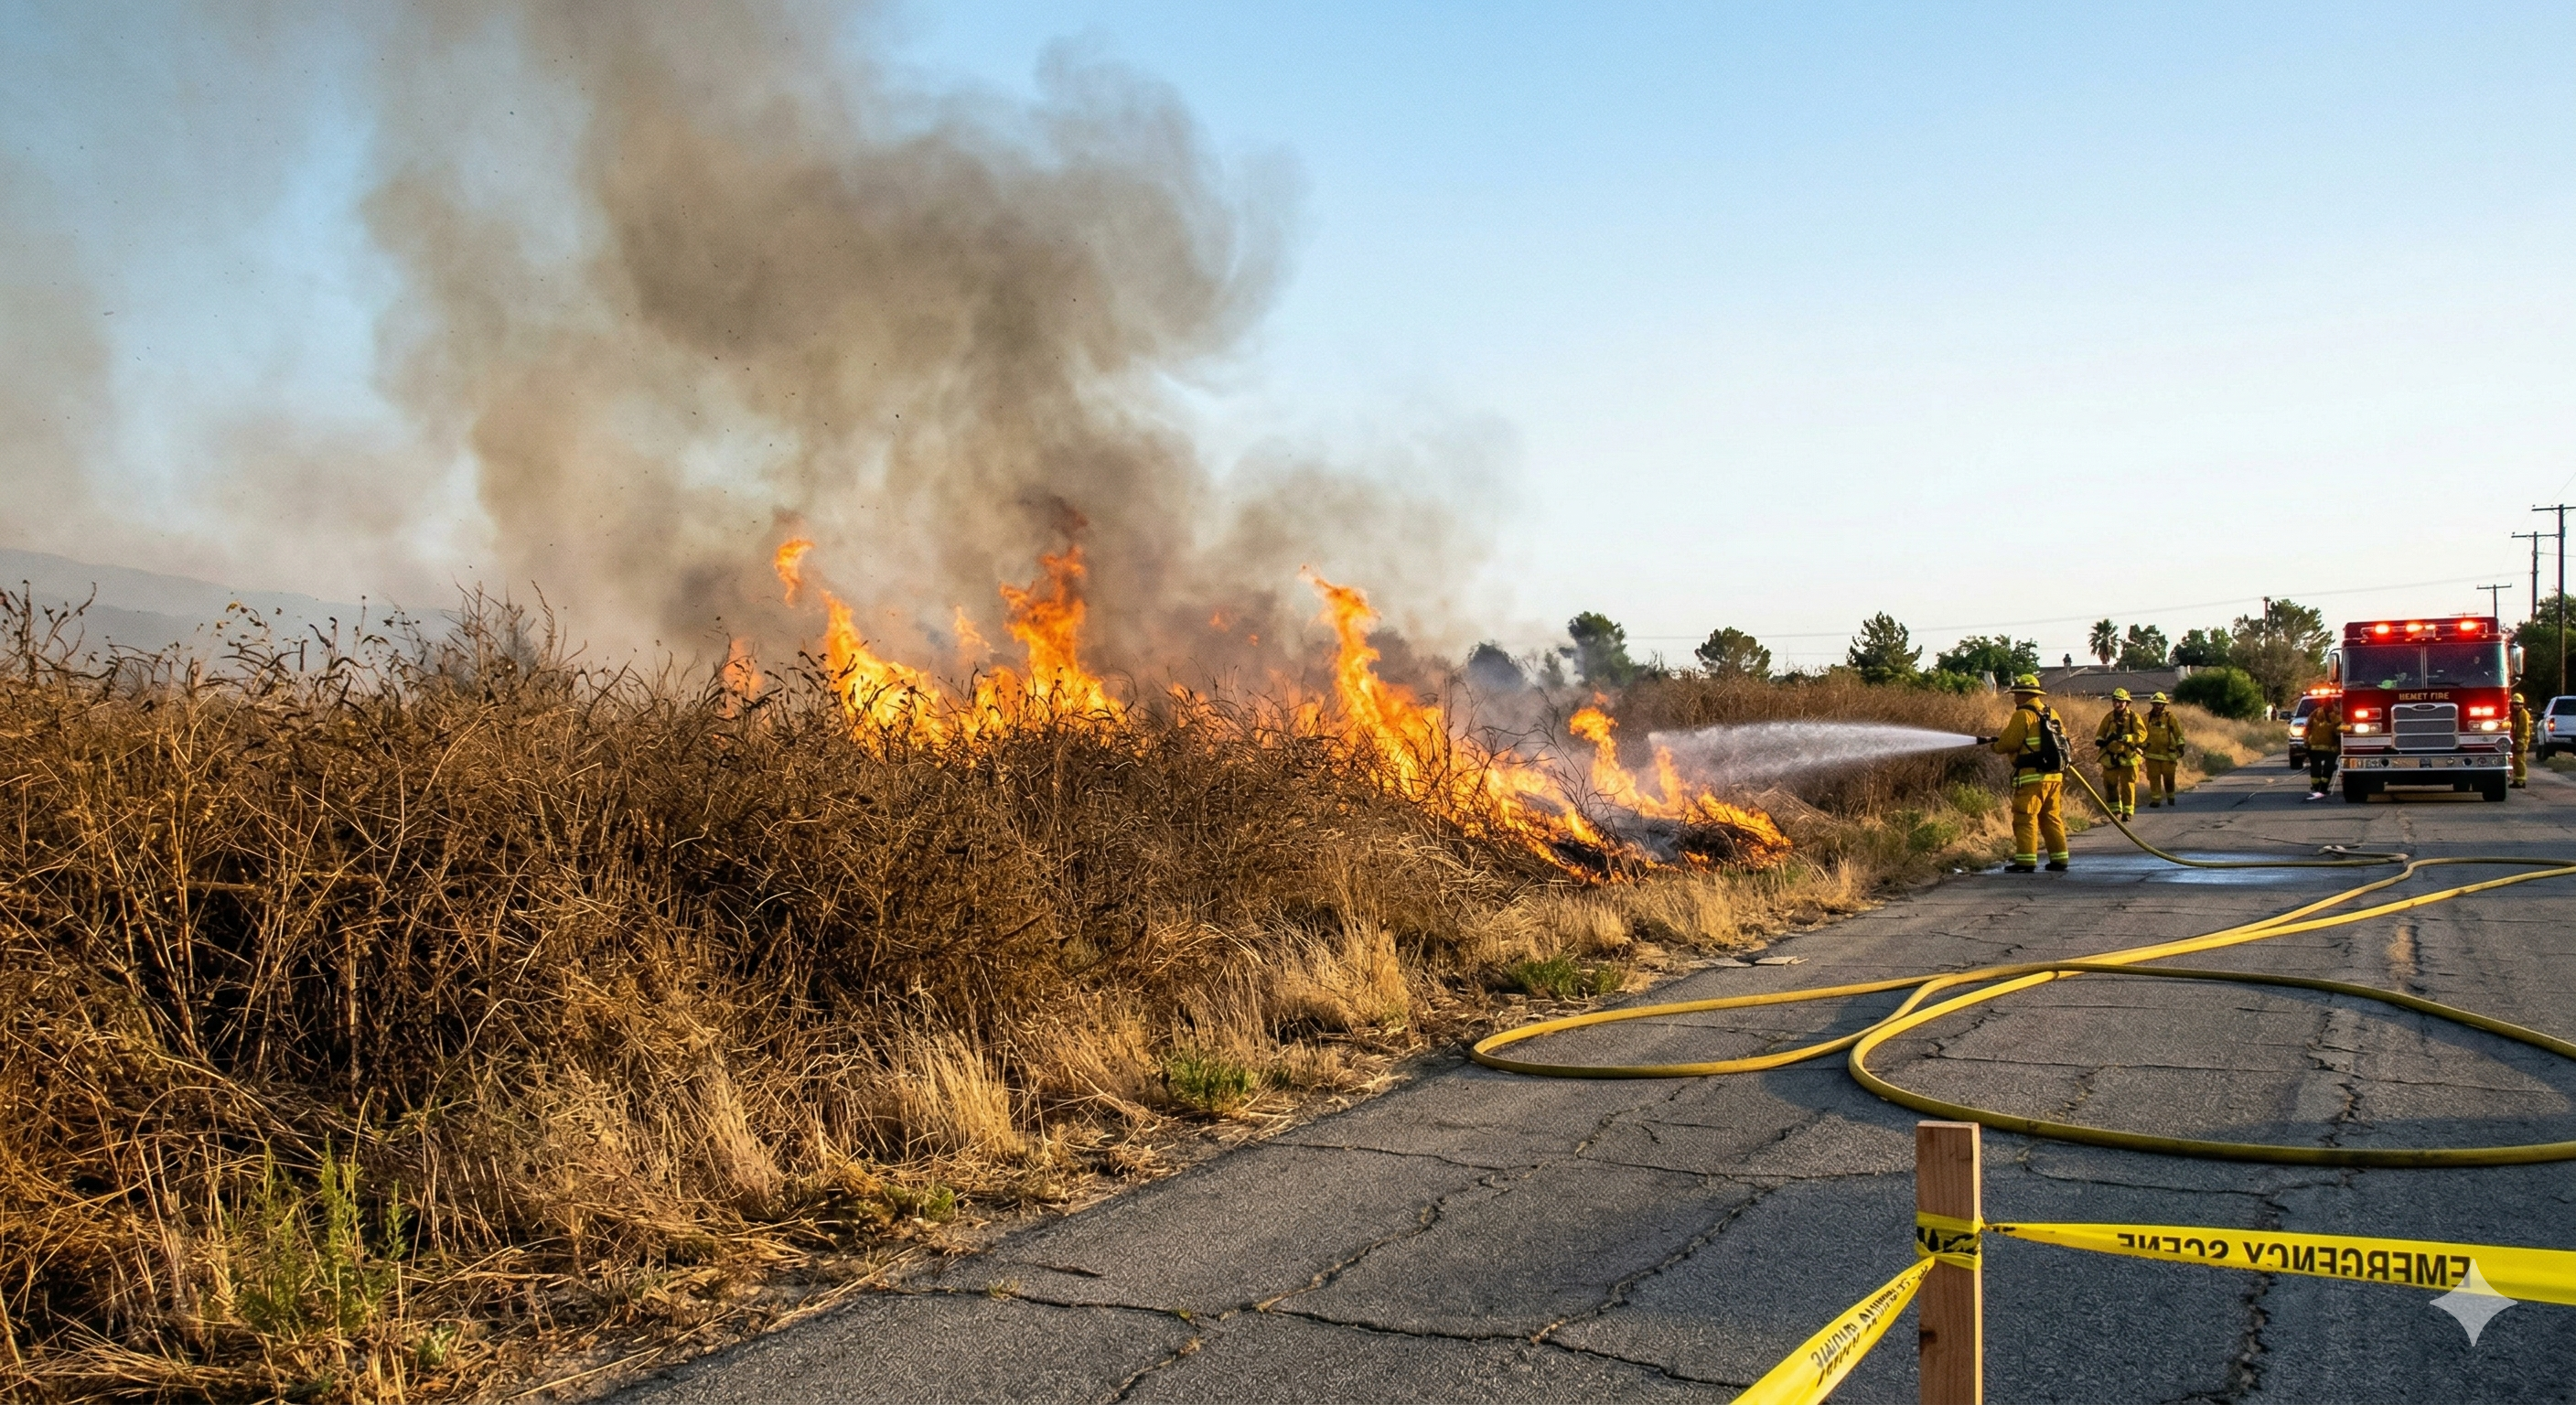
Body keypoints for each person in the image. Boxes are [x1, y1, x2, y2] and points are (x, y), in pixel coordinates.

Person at [1989, 674, 2070, 872]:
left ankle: (2025, 861)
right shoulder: (2052, 714)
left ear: (2025, 694)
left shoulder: (2023, 714)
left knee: (2025, 816)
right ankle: (2060, 859)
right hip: (2055, 776)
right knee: (2051, 816)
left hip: (2033, 776)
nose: (2015, 698)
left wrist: (1996, 747)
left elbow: (2009, 743)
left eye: (2017, 694)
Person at [2095, 688, 2148, 819]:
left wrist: (2128, 738)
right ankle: (2115, 811)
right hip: (2110, 756)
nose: (2117, 704)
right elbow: (2100, 734)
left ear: (2126, 703)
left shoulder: (2134, 717)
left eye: (2120, 702)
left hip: (2128, 755)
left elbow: (2142, 734)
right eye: (2115, 701)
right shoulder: (2109, 717)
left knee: (2128, 785)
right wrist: (2101, 741)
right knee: (2109, 783)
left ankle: (2127, 812)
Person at [2141, 692, 2186, 808]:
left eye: (2160, 704)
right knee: (2153, 777)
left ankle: (2171, 797)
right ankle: (2156, 800)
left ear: (2164, 705)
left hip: (2168, 754)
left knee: (2169, 777)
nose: (2157, 707)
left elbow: (2178, 732)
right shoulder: (2147, 718)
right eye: (2156, 704)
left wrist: (2180, 745)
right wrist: (2141, 745)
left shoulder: (2169, 717)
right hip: (2151, 754)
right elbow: (2140, 733)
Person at [2303, 692, 2342, 800]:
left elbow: (2307, 728)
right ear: (2332, 703)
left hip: (2314, 747)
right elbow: (2339, 731)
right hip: (2330, 748)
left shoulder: (2315, 713)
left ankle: (2316, 787)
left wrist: (2306, 742)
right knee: (2328, 769)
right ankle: (2323, 788)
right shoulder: (2335, 714)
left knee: (2315, 768)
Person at [2511, 692, 2532, 789]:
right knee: (2515, 761)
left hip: (2521, 741)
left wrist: (2521, 742)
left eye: (2519, 704)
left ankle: (2521, 781)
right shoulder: (2514, 714)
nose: (2517, 706)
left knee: (2520, 762)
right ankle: (2516, 780)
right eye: (2515, 704)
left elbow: (2524, 731)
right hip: (2515, 740)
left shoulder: (2523, 714)